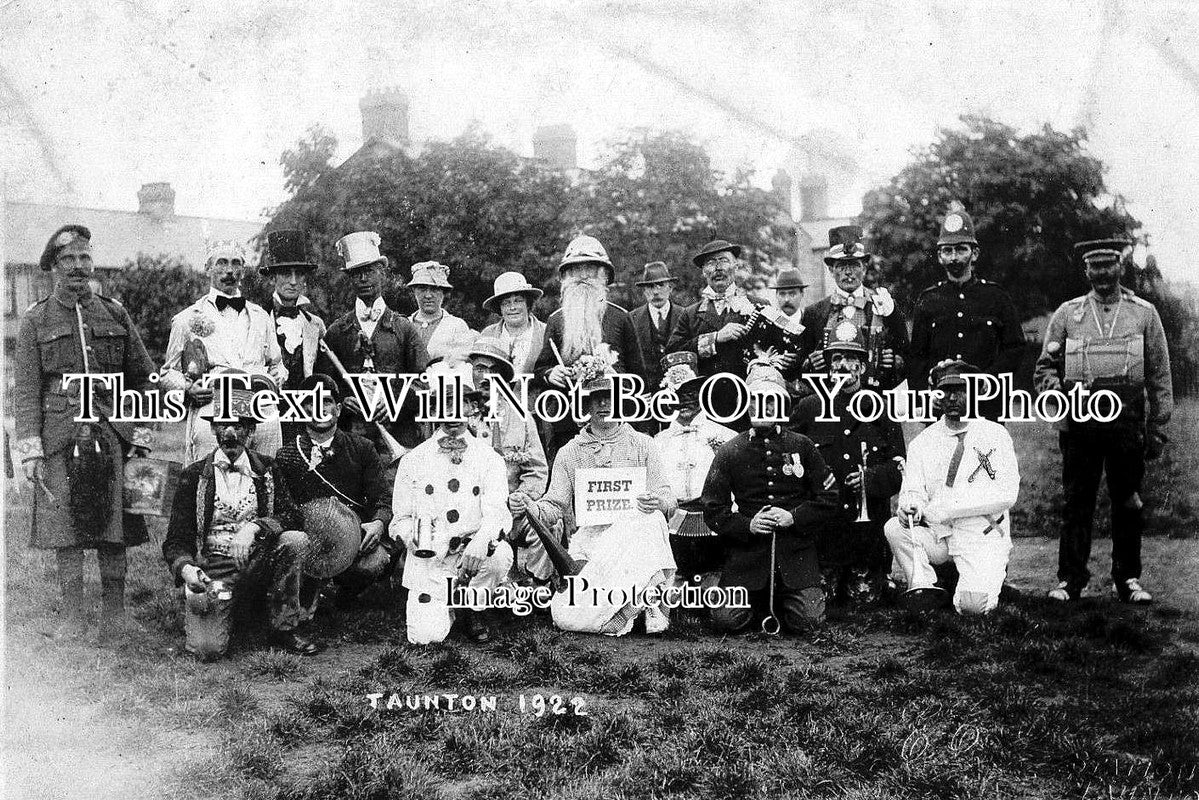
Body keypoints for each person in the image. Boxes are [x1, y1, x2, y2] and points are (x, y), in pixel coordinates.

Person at [14, 225, 158, 640]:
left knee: (116, 530)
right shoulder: (36, 319)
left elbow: (145, 379)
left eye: (84, 258)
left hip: (112, 433)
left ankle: (115, 615)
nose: (78, 267)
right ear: (54, 269)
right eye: (68, 260)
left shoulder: (114, 313)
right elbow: (25, 391)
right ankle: (71, 618)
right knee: (66, 532)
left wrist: (141, 436)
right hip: (60, 436)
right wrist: (31, 451)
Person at [1034, 239, 1172, 603]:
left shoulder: (1144, 313)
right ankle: (1070, 580)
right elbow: (1044, 368)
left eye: (1108, 265)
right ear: (1086, 271)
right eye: (1094, 267)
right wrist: (1060, 391)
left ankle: (1127, 579)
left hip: (1126, 421)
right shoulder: (1068, 313)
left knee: (1128, 500)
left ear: (1120, 266)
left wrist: (1158, 426)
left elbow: (1159, 373)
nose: (1102, 273)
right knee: (1077, 500)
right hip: (1082, 419)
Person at [162, 385, 321, 659]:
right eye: (224, 424)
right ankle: (230, 614)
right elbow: (176, 540)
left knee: (295, 540)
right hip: (215, 567)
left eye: (240, 425)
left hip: (261, 562)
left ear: (252, 431)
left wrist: (256, 527)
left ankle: (284, 625)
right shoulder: (194, 475)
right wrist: (186, 568)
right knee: (207, 650)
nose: (231, 433)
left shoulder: (268, 468)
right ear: (214, 430)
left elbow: (292, 516)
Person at [527, 372, 677, 635]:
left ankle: (650, 603)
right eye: (596, 399)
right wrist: (532, 507)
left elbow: (668, 500)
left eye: (611, 398)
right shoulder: (570, 452)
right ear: (586, 405)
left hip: (635, 538)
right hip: (592, 542)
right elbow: (554, 503)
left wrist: (657, 502)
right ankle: (624, 610)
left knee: (651, 521)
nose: (604, 406)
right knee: (568, 616)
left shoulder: (643, 444)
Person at [702, 362, 838, 634]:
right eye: (755, 399)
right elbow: (713, 508)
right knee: (726, 620)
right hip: (748, 556)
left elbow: (829, 496)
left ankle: (792, 595)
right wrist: (747, 525)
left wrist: (794, 517)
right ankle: (754, 597)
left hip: (795, 553)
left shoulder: (803, 445)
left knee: (810, 622)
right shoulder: (730, 451)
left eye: (771, 400)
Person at [390, 362, 514, 644]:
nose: (453, 414)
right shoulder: (414, 460)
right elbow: (400, 519)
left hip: (473, 554)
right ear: (433, 411)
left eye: (461, 404)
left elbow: (498, 513)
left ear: (472, 409)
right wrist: (416, 541)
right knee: (425, 638)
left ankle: (472, 607)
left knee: (499, 556)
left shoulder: (489, 458)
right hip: (432, 556)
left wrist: (481, 542)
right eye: (445, 405)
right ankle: (443, 605)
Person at [884, 360, 1020, 615]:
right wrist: (910, 505)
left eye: (960, 390)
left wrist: (949, 507)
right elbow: (913, 489)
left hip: (980, 535)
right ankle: (926, 586)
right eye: (945, 391)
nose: (952, 398)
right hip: (940, 536)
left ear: (976, 391)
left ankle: (970, 580)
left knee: (972, 607)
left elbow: (1007, 493)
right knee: (895, 528)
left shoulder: (995, 434)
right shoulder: (923, 442)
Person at [791, 324, 905, 605]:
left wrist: (871, 478)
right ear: (829, 368)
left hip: (865, 540)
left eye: (852, 359)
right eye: (837, 360)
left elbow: (900, 468)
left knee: (863, 602)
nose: (844, 366)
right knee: (818, 603)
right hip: (823, 537)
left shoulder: (881, 409)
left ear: (863, 367)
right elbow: (789, 461)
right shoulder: (809, 408)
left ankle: (878, 578)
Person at [273, 374, 395, 611]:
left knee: (375, 562)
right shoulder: (286, 455)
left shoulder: (362, 448)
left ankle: (345, 592)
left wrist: (378, 523)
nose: (319, 408)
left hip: (353, 540)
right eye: (310, 402)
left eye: (326, 401)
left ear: (338, 409)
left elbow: (383, 497)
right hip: (309, 543)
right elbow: (283, 510)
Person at [161, 240, 286, 463]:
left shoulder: (260, 316)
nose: (229, 270)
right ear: (208, 268)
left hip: (260, 403)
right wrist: (189, 388)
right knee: (209, 471)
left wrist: (278, 377)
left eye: (236, 263)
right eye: (222, 263)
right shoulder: (187, 318)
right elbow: (167, 373)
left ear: (243, 271)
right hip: (213, 402)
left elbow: (277, 364)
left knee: (267, 470)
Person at [318, 231, 428, 458]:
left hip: (398, 435)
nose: (363, 279)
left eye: (369, 271)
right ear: (350, 279)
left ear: (382, 273)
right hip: (349, 439)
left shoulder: (405, 328)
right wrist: (341, 400)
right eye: (356, 274)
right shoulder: (337, 331)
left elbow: (423, 383)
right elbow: (323, 385)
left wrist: (394, 402)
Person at [534, 235, 645, 458]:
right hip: (569, 421)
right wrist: (550, 373)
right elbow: (540, 368)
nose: (583, 276)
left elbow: (638, 374)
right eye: (576, 270)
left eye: (590, 270)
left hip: (615, 416)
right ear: (566, 277)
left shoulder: (620, 317)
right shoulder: (556, 320)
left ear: (604, 276)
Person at [908, 210, 1024, 420]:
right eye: (947, 250)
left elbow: (1015, 348)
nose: (954, 257)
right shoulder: (928, 300)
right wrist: (926, 396)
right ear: (939, 256)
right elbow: (916, 357)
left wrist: (990, 379)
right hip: (941, 406)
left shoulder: (996, 297)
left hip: (986, 405)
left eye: (961, 249)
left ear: (975, 253)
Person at [465, 337, 557, 584]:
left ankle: (537, 584)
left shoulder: (521, 417)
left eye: (494, 371)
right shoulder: (456, 415)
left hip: (511, 507)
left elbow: (536, 469)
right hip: (469, 509)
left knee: (548, 521)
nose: (486, 377)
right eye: (480, 368)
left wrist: (523, 496)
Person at [653, 352, 737, 596]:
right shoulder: (656, 443)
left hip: (714, 528)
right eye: (678, 395)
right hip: (672, 526)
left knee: (715, 597)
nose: (686, 400)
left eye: (692, 392)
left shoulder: (727, 437)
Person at [667, 239, 765, 431]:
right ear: (704, 271)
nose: (718, 268)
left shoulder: (758, 306)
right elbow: (673, 353)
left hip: (745, 404)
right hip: (705, 407)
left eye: (724, 260)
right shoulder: (690, 314)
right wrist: (715, 338)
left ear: (736, 266)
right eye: (711, 263)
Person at [799, 225, 908, 392]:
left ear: (864, 267)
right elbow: (801, 366)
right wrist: (811, 363)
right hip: (830, 402)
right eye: (841, 266)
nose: (848, 272)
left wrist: (893, 361)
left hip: (875, 399)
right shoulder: (814, 313)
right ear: (831, 270)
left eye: (854, 265)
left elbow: (906, 352)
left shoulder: (884, 305)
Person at [261, 230, 326, 442]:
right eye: (286, 274)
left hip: (304, 419)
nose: (293, 281)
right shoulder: (258, 319)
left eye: (299, 274)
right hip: (267, 417)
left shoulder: (315, 324)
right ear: (272, 278)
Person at [629, 261, 682, 396]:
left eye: (660, 285)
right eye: (650, 286)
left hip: (678, 395)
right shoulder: (631, 319)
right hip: (644, 396)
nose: (656, 291)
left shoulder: (685, 315)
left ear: (670, 287)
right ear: (644, 291)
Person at [408, 261, 476, 364]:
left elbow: (463, 365)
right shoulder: (404, 324)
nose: (428, 295)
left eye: (434, 289)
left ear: (443, 292)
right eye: (422, 289)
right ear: (414, 291)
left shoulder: (457, 326)